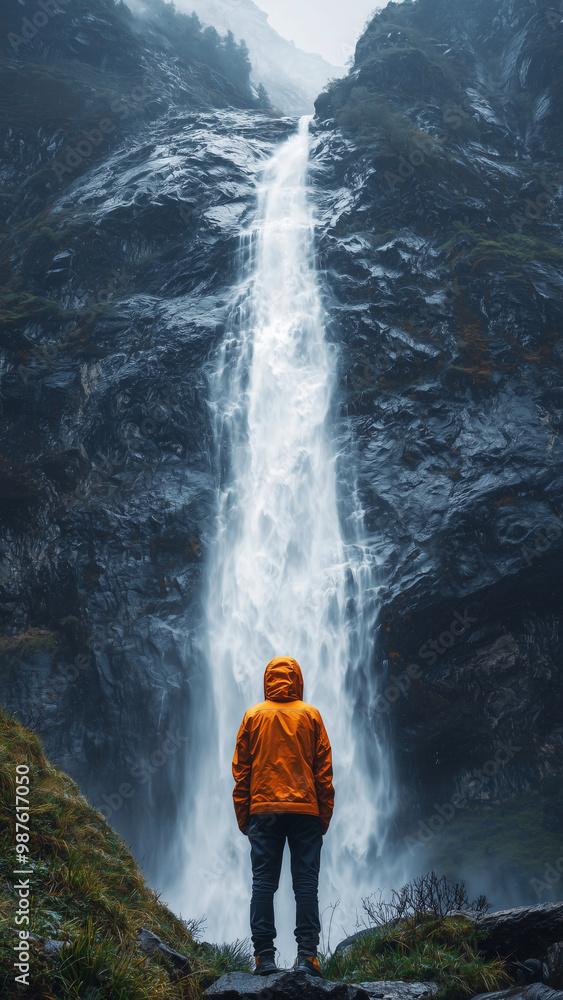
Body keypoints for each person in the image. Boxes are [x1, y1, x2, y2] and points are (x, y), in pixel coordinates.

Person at [232, 655, 334, 978]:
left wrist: (244, 817)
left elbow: (241, 773)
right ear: (297, 680)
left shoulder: (252, 716)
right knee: (305, 884)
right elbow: (324, 773)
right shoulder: (311, 715)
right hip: (305, 811)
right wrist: (323, 815)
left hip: (264, 810)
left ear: (267, 681)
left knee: (263, 882)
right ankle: (307, 957)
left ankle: (263, 957)